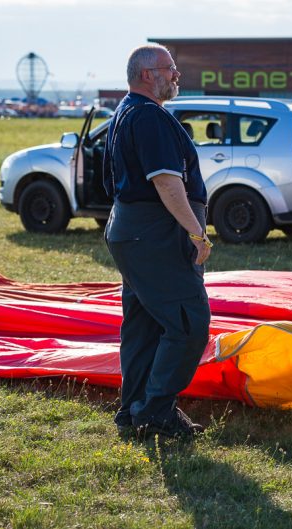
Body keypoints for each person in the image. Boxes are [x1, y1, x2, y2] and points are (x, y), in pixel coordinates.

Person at [103, 44, 212, 440]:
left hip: (131, 231)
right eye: (170, 68)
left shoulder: (126, 113)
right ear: (149, 74)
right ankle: (155, 410)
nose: (177, 75)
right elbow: (166, 183)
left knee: (145, 326)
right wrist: (196, 232)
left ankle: (134, 410)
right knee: (189, 322)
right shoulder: (149, 117)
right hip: (155, 233)